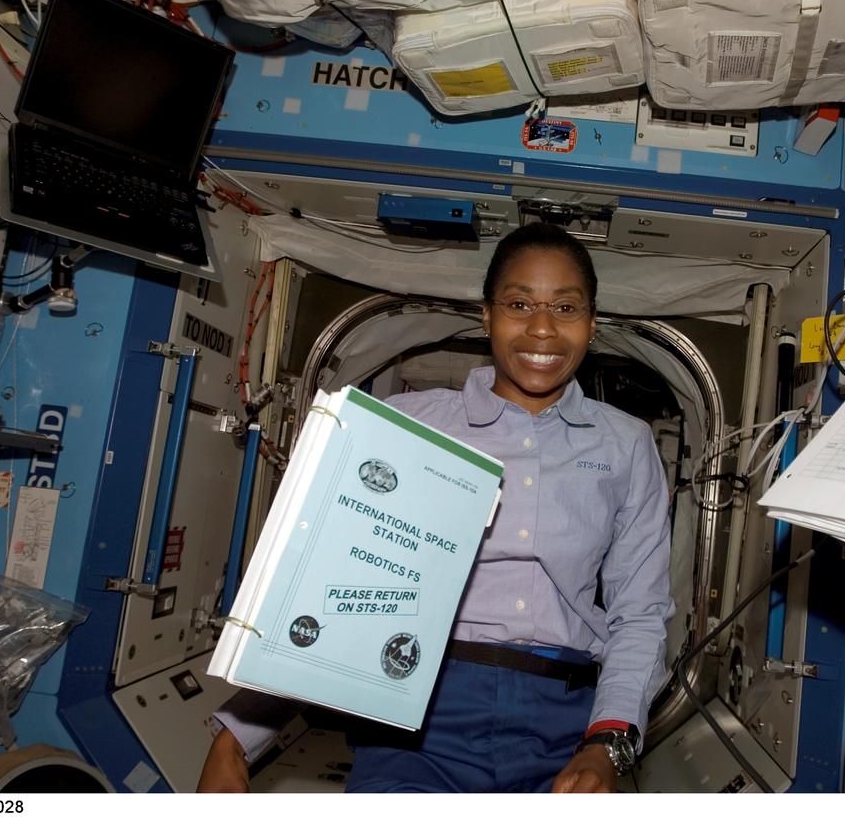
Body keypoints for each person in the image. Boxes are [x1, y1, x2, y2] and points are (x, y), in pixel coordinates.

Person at [198, 223, 674, 793]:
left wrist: (607, 745)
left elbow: (639, 615)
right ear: (487, 316)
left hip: (569, 722)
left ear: (591, 324)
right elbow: (335, 593)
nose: (542, 328)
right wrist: (236, 737)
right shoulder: (414, 422)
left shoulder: (626, 444)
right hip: (416, 711)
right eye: (519, 303)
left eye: (565, 308)